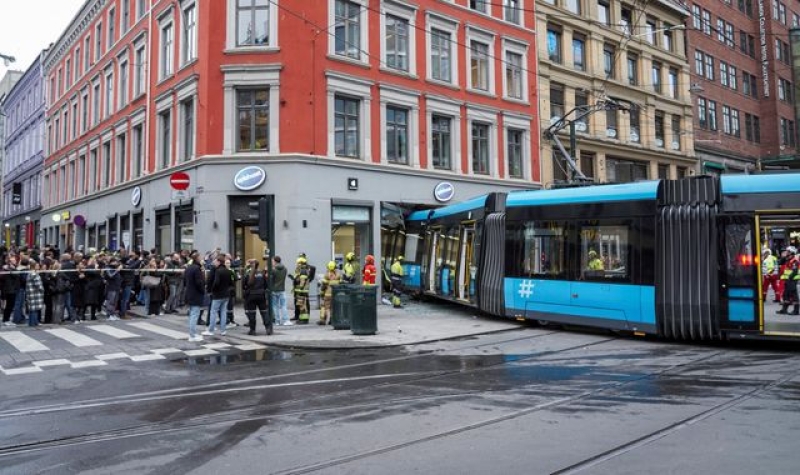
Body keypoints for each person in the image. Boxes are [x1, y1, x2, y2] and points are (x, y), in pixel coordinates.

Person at [203, 257, 232, 336]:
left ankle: (211, 330)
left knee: (213, 312)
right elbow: (231, 283)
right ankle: (223, 330)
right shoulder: (228, 271)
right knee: (223, 312)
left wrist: (212, 290)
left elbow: (216, 283)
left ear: (219, 262)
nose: (214, 263)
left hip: (218, 295)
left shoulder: (218, 271)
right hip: (226, 294)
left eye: (215, 261)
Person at [243, 260, 272, 335]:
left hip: (251, 296)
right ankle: (268, 328)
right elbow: (266, 285)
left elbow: (244, 286)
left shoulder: (247, 274)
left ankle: (252, 330)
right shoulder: (261, 274)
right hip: (261, 295)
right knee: (264, 312)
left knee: (252, 313)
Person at [184, 252, 206, 342]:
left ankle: (192, 333)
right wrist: (203, 290)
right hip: (196, 294)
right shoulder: (197, 269)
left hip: (189, 293)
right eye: (200, 257)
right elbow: (199, 282)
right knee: (194, 315)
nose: (201, 259)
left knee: (192, 314)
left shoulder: (189, 268)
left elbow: (185, 280)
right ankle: (192, 335)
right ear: (197, 259)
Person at [777, 248, 800, 315]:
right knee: (785, 294)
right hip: (787, 280)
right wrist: (784, 257)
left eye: (788, 252)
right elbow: (779, 262)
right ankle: (784, 309)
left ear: (792, 253)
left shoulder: (795, 261)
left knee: (794, 295)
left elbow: (795, 271)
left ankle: (796, 311)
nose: (786, 253)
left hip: (792, 280)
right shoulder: (788, 259)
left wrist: (790, 278)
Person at [270, 255, 290, 326]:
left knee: (275, 306)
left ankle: (277, 321)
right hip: (282, 289)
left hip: (274, 290)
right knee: (283, 305)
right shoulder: (285, 269)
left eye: (272, 261)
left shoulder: (273, 270)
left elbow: (271, 280)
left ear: (275, 261)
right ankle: (286, 320)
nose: (272, 262)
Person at [318, 261, 341, 325]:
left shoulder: (327, 275)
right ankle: (332, 320)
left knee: (324, 306)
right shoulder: (338, 275)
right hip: (335, 294)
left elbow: (323, 286)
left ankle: (322, 320)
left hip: (327, 294)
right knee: (333, 307)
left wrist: (322, 293)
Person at [0, 255, 20, 326]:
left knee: (10, 305)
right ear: (10, 262)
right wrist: (12, 269)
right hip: (9, 289)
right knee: (9, 305)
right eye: (13, 260)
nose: (15, 261)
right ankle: (6, 319)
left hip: (12, 289)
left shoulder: (12, 268)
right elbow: (16, 276)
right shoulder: (7, 269)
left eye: (15, 260)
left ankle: (6, 318)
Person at [291, 258, 311, 324]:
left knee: (302, 305)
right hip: (303, 291)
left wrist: (300, 289)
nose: (297, 265)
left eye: (298, 263)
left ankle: (304, 320)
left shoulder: (303, 271)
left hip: (302, 291)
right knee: (302, 305)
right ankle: (302, 318)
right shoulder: (304, 270)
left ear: (301, 263)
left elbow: (302, 282)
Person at [25, 259, 44, 327]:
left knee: (31, 309)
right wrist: (42, 290)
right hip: (35, 293)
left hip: (30, 293)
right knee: (34, 309)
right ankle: (34, 323)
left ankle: (31, 323)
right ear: (34, 266)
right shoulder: (34, 274)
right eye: (38, 265)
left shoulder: (29, 273)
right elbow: (38, 284)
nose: (39, 266)